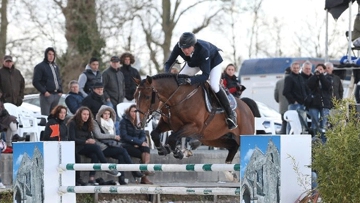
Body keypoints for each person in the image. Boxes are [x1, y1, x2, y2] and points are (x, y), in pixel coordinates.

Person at [164, 32, 237, 130]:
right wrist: (167, 75)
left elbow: (205, 76)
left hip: (213, 61)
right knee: (178, 81)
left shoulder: (203, 50)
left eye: (188, 48)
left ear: (193, 45)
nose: (185, 50)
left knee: (214, 85)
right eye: (183, 48)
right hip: (194, 63)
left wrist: (190, 80)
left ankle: (230, 114)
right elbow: (168, 63)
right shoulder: (178, 47)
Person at [92, 105, 146, 185]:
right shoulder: (95, 122)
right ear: (101, 114)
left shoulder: (110, 123)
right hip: (102, 147)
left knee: (121, 156)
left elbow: (113, 138)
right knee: (123, 151)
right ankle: (134, 171)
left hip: (111, 146)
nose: (107, 116)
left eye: (108, 114)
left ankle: (121, 179)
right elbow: (98, 135)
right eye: (105, 114)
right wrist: (113, 137)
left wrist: (114, 140)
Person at [68, 106, 120, 186]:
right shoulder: (72, 123)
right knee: (96, 147)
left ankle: (91, 179)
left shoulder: (88, 124)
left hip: (84, 146)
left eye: (87, 115)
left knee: (95, 155)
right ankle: (106, 166)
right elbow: (72, 138)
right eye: (84, 114)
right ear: (79, 115)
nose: (86, 116)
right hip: (76, 146)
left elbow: (88, 136)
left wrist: (90, 140)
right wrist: (86, 141)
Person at [120, 104, 153, 184]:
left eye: (136, 112)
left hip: (138, 145)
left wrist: (140, 143)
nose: (134, 113)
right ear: (129, 112)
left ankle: (144, 170)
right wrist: (138, 142)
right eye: (132, 111)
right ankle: (144, 176)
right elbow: (124, 136)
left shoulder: (140, 122)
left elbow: (143, 135)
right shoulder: (124, 121)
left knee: (146, 148)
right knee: (142, 153)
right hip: (126, 145)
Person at [32, 47, 63, 115]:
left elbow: (58, 79)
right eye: (49, 54)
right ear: (46, 55)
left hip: (56, 95)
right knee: (45, 117)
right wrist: (44, 92)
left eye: (53, 54)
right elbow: (35, 82)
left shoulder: (56, 66)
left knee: (53, 117)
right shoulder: (40, 67)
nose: (51, 56)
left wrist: (60, 91)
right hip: (47, 96)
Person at [306, 64, 331, 142]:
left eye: (321, 69)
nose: (319, 71)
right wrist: (315, 76)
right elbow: (309, 85)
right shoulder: (312, 78)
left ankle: (324, 142)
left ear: (324, 70)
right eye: (317, 69)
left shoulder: (328, 78)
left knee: (324, 123)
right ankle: (315, 140)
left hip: (325, 104)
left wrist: (321, 76)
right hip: (314, 104)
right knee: (315, 122)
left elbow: (327, 86)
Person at [283, 62, 310, 133]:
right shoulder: (289, 78)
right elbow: (286, 92)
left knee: (303, 123)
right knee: (292, 123)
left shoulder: (301, 78)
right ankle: (289, 137)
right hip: (294, 105)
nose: (296, 69)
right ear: (291, 68)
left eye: (297, 68)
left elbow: (305, 89)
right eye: (294, 68)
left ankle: (302, 138)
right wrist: (294, 101)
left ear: (299, 68)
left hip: (302, 104)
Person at [274, 67, 291, 134]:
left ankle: (283, 138)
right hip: (293, 107)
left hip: (283, 107)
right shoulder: (294, 80)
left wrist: (281, 102)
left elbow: (276, 96)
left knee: (284, 123)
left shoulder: (279, 82)